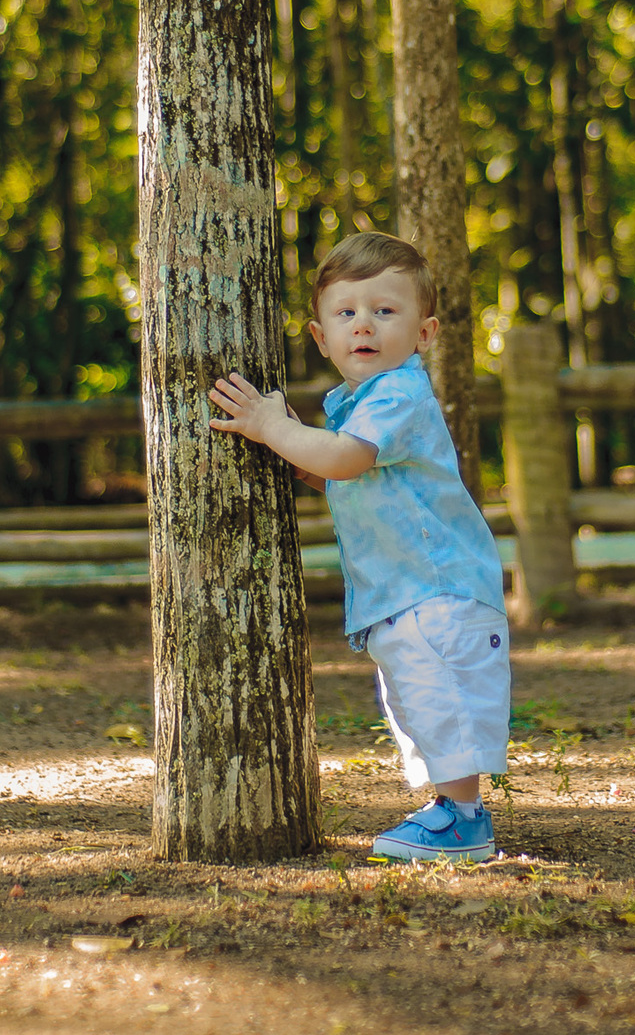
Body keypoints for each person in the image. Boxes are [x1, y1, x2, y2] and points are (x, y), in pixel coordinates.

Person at [208, 230, 509, 863]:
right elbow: (352, 470)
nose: (364, 326)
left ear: (423, 333)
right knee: (417, 701)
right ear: (321, 336)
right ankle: (451, 809)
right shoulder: (360, 402)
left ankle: (466, 818)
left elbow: (348, 459)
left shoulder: (398, 392)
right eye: (346, 313)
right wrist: (304, 459)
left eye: (385, 311)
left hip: (438, 587)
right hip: (405, 591)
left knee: (441, 695)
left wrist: (273, 427)